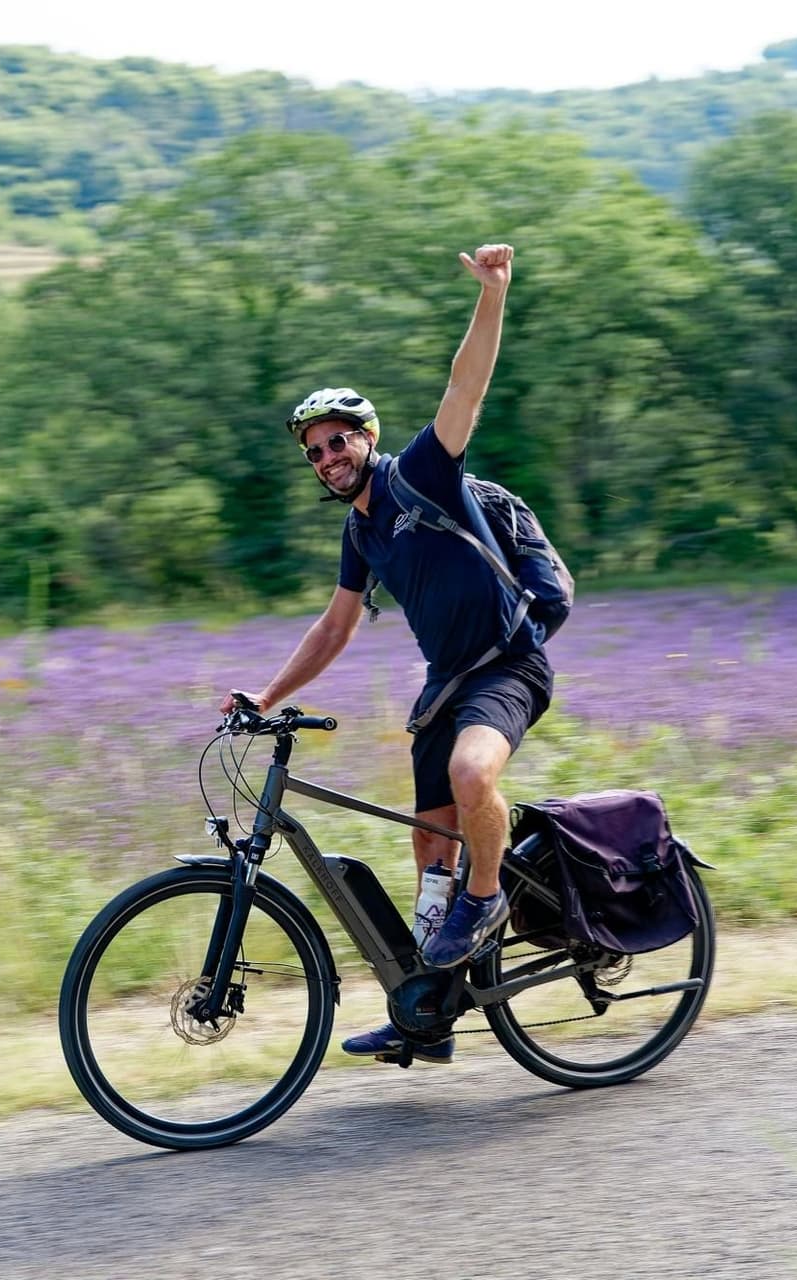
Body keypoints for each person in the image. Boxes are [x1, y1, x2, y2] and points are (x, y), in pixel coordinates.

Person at [220, 242, 552, 1065]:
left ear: (366, 436)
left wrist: (493, 294)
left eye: (338, 442)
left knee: (476, 780)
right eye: (316, 453)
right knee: (426, 853)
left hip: (508, 666)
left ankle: (490, 902)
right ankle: (428, 1018)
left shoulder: (423, 477)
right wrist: (263, 697)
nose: (328, 459)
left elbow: (464, 385)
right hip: (444, 690)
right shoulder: (361, 529)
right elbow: (333, 628)